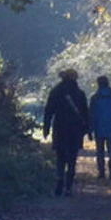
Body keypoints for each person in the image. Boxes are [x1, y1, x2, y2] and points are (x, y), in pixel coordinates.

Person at [41, 68, 90, 197]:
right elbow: (85, 113)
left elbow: (49, 111)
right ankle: (68, 186)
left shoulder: (56, 92)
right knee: (72, 158)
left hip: (60, 128)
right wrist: (87, 130)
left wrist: (46, 128)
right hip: (75, 130)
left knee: (60, 157)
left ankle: (59, 179)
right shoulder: (80, 93)